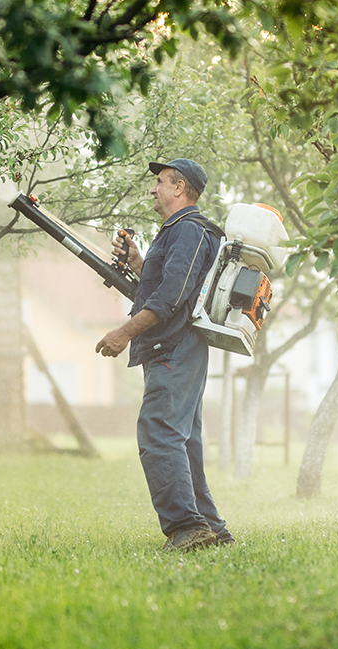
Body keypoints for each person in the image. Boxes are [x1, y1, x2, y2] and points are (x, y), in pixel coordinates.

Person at [95, 158, 234, 552]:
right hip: (178, 346)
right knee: (182, 440)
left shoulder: (188, 230)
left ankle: (187, 527)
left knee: (159, 431)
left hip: (174, 346)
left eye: (159, 182)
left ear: (179, 188)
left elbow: (172, 296)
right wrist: (140, 261)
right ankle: (211, 528)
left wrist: (124, 332)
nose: (153, 189)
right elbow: (170, 282)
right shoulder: (175, 233)